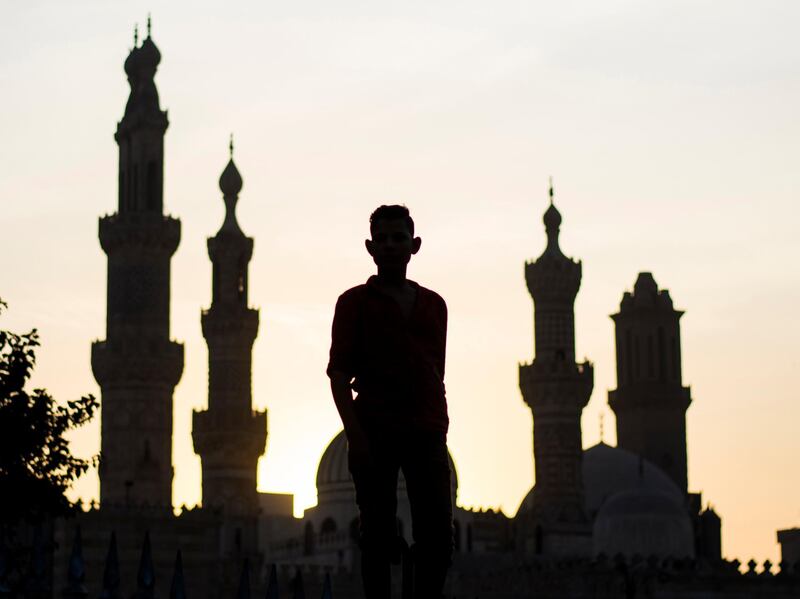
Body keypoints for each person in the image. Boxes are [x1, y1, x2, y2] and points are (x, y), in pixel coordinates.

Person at [327, 205, 453, 598]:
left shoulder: (434, 305)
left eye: (398, 237)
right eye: (381, 239)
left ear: (414, 245)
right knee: (378, 537)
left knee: (437, 538)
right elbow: (338, 377)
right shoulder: (354, 304)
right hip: (376, 432)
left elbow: (435, 370)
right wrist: (357, 436)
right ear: (370, 247)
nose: (389, 245)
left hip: (426, 433)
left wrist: (438, 422)